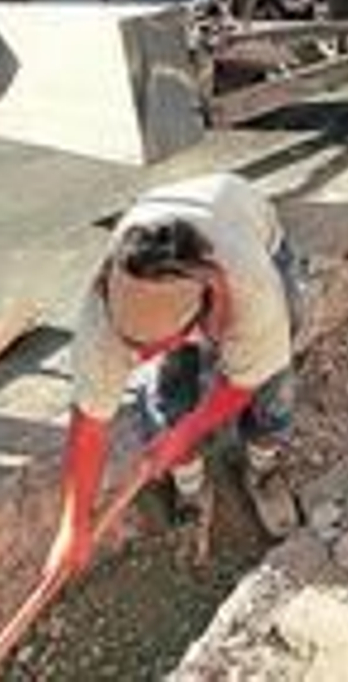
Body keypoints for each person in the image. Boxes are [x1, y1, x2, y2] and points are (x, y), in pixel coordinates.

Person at [45, 173, 304, 579]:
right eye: (133, 343)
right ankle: (190, 487)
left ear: (198, 318)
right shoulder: (106, 311)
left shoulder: (252, 287)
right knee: (166, 393)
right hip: (179, 224)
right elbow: (89, 425)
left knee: (274, 389)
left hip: (245, 221)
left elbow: (242, 382)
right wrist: (73, 525)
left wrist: (188, 432)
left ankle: (262, 465)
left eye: (153, 345)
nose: (139, 356)